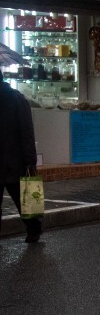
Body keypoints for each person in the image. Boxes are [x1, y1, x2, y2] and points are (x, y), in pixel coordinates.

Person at [0, 72, 41, 242]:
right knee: (25, 200)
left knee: (22, 199)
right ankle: (34, 230)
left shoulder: (16, 99)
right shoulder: (17, 99)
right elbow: (26, 132)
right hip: (14, 161)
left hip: (9, 161)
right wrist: (30, 161)